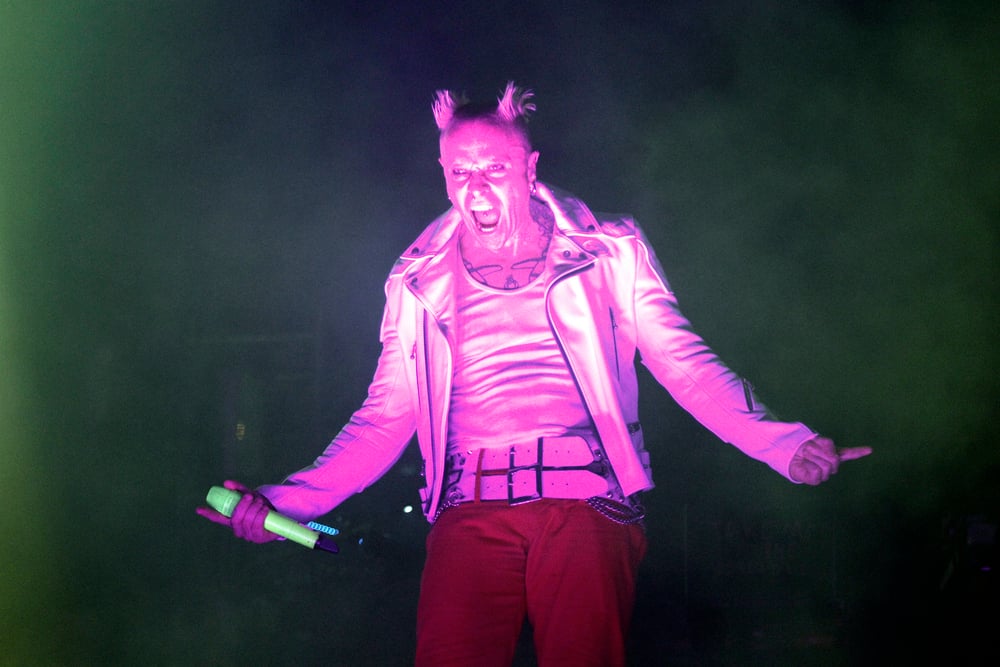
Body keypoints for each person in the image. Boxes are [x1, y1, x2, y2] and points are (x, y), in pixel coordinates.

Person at [198, 82, 871, 666]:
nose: (476, 188)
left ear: (529, 167)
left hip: (587, 501)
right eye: (459, 171)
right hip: (469, 509)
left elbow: (683, 362)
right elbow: (383, 419)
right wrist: (288, 503)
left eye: (493, 168)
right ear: (442, 172)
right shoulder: (416, 281)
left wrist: (782, 444)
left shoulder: (610, 250)